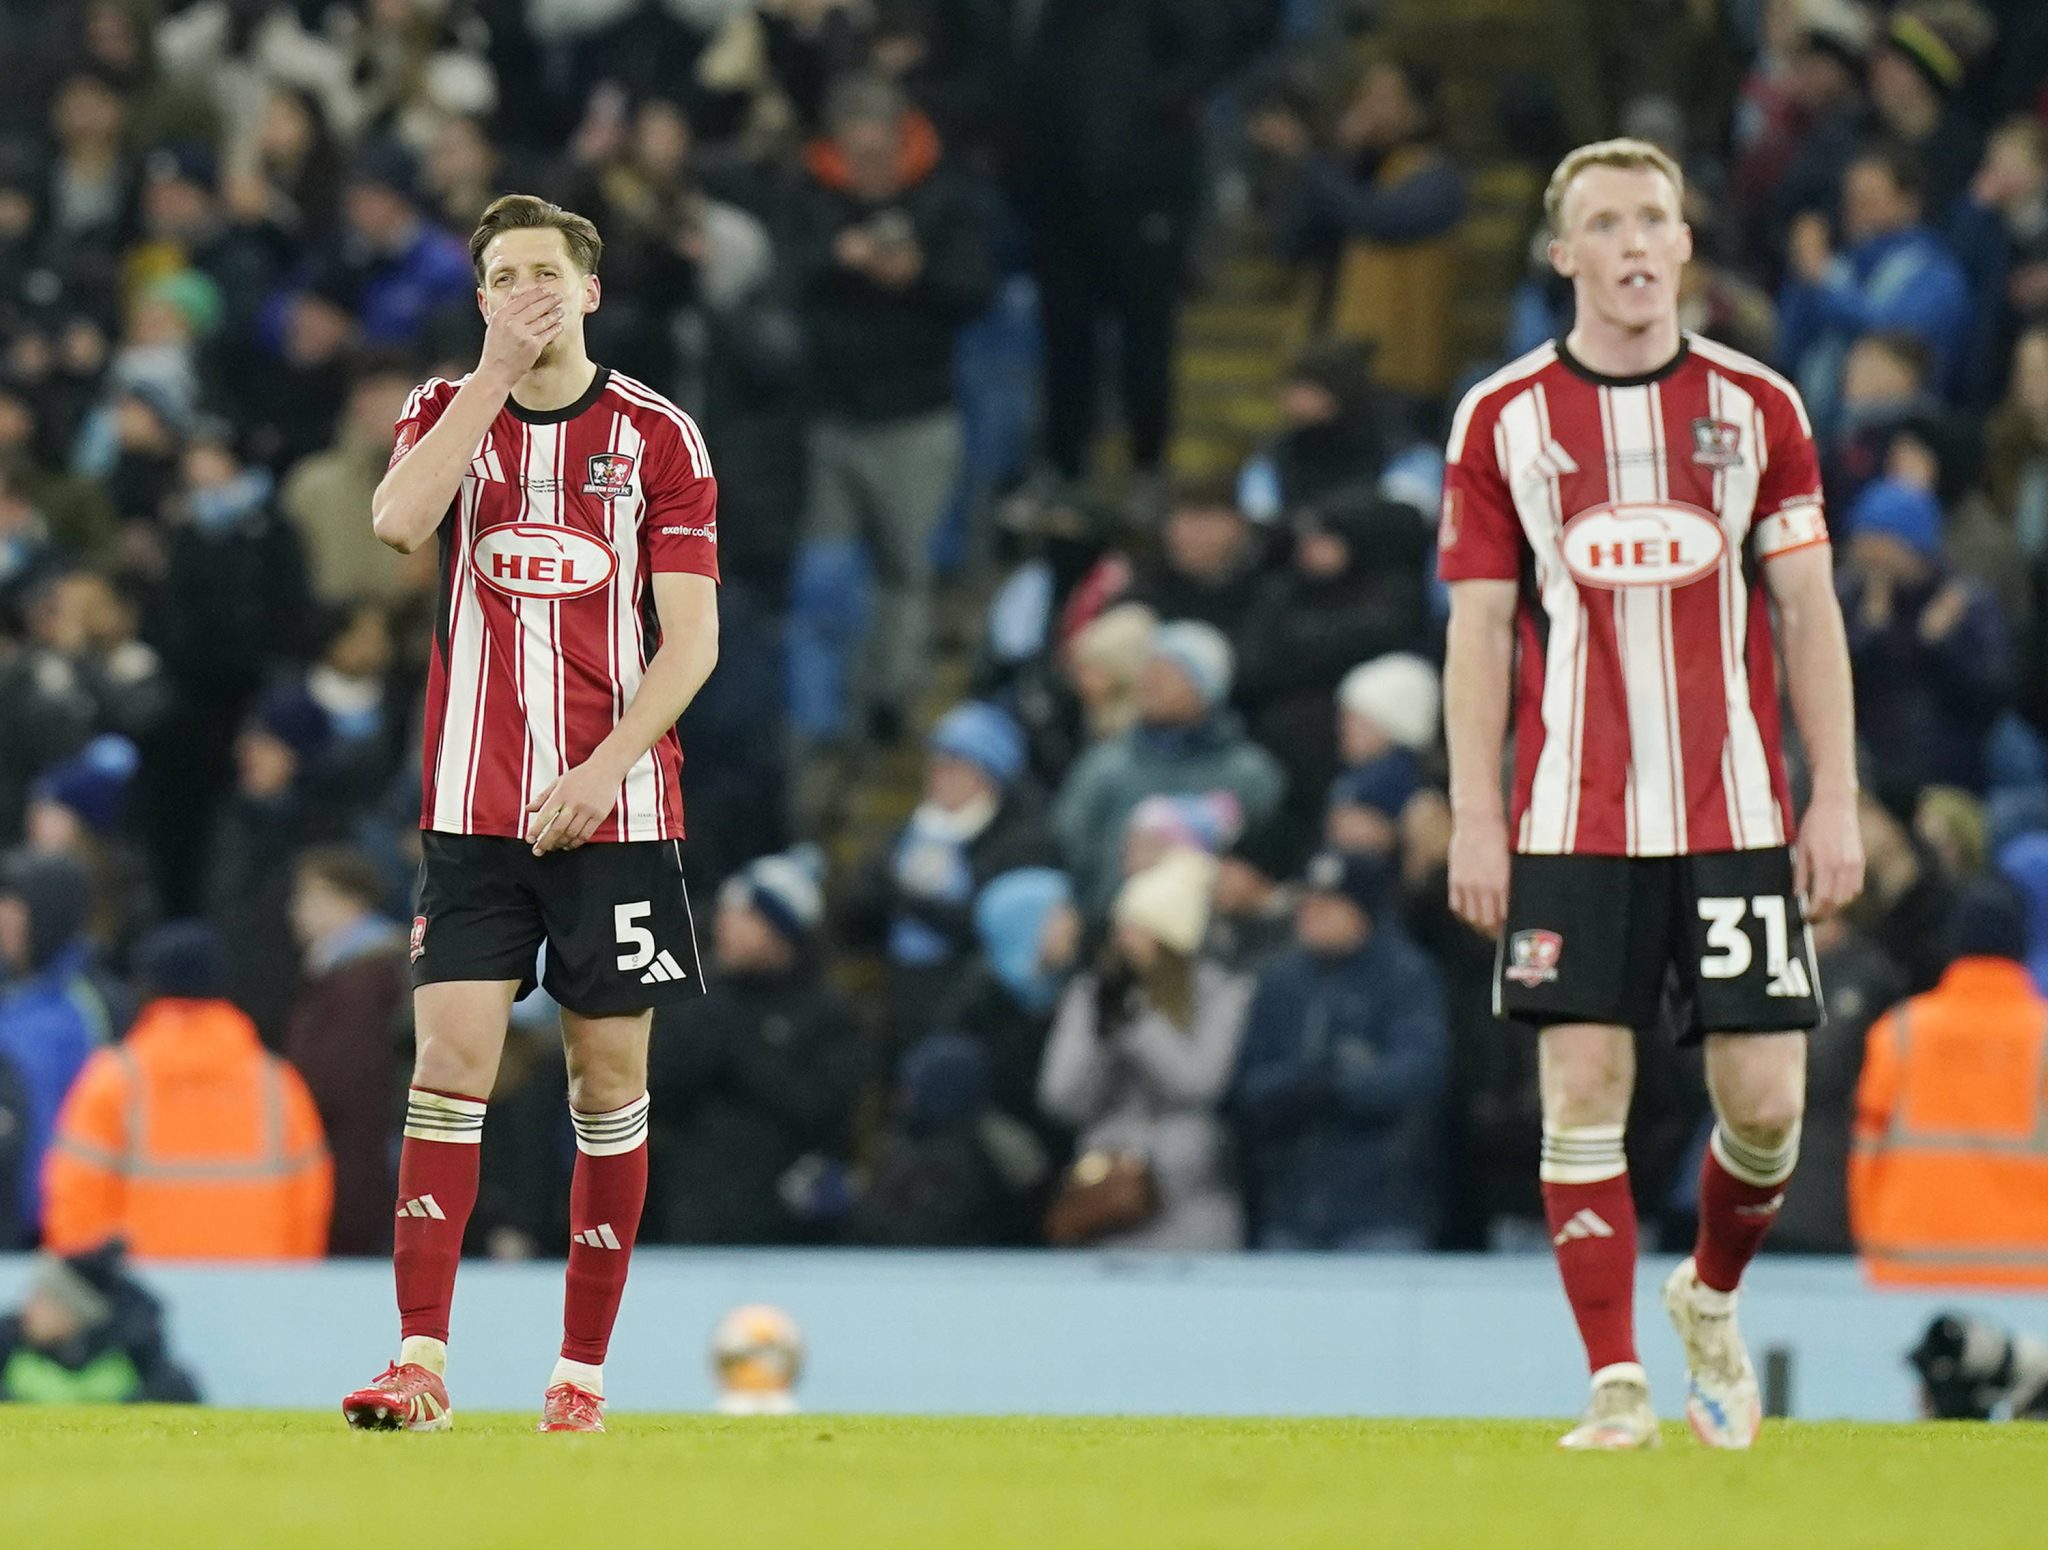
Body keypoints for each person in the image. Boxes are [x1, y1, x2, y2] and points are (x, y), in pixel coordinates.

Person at [1439, 139, 1865, 1450]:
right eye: (1603, 223)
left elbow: (1807, 612)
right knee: (1581, 1083)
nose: (1631, 243)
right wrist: (1474, 814)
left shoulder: (1759, 408)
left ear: (1684, 245)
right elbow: (1476, 630)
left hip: (1736, 810)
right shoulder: (1504, 417)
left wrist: (1836, 796)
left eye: (1653, 220)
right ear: (1563, 255)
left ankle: (1709, 1295)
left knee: (1768, 1105)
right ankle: (1614, 1380)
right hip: (1574, 814)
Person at [338, 194, 722, 1436]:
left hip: (612, 809)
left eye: (545, 273)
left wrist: (606, 764)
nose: (526, 293)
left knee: (605, 1082)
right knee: (450, 1064)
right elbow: (397, 523)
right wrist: (491, 378)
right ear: (483, 299)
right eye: (503, 278)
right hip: (470, 808)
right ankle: (419, 1360)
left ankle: (579, 1375)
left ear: (591, 290)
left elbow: (694, 639)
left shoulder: (658, 436)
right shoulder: (443, 414)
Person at [42, 921, 332, 1260]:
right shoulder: (277, 1083)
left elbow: (75, 1203)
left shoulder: (114, 1079)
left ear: (147, 987)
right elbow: (309, 1205)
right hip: (255, 1295)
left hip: (141, 1298)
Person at [1037, 848, 1253, 1252]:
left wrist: (1137, 1025)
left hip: (1191, 1201)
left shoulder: (1223, 994)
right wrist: (1102, 1038)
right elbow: (1061, 1097)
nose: (1123, 940)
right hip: (1105, 1198)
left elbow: (1200, 1082)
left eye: (1139, 929)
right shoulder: (1091, 994)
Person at [1232, 851, 1448, 1251]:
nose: (1311, 913)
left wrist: (1340, 1083)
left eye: (1328, 904)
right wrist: (1299, 1084)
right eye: (1308, 902)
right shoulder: (1280, 981)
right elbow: (1246, 1084)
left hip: (1381, 1207)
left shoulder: (1405, 975)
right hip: (1288, 1204)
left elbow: (1421, 1073)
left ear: (1362, 911)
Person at [646, 851, 864, 1245]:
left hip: (788, 1218)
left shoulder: (827, 1012)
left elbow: (826, 1109)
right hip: (688, 1209)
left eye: (743, 915)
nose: (723, 925)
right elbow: (654, 1092)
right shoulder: (696, 997)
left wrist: (745, 1053)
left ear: (781, 930)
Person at [1850, 879, 2048, 1287]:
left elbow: (1865, 1157)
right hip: (2032, 1275)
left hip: (1909, 1267)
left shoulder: (1898, 1033)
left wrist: (1874, 1247)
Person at [1053, 621, 1286, 920]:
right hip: (1111, 930)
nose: (1152, 683)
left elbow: (1259, 865)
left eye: (1169, 673)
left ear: (1206, 689)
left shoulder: (1250, 775)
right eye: (1149, 671)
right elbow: (1068, 850)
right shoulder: (1105, 766)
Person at [283, 848, 409, 1258]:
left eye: (312, 897)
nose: (298, 910)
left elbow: (344, 1075)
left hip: (352, 1149)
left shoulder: (361, 977)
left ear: (351, 902)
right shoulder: (340, 970)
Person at [0, 853, 110, 1243]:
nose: (4, 922)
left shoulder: (90, 1007)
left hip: (54, 1230)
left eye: (16, 909)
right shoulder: (10, 997)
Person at [0, 1243, 199, 1403]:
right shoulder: (9, 1348)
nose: (28, 1309)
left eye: (43, 1300)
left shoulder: (137, 1362)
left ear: (74, 1313)